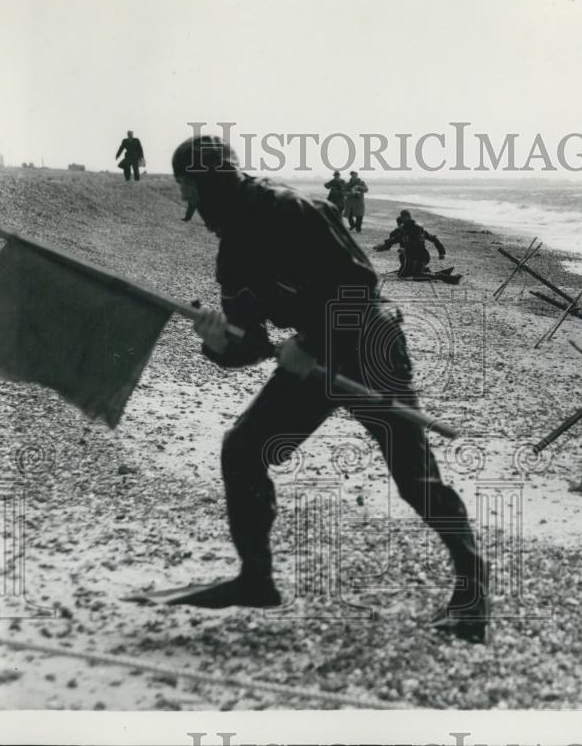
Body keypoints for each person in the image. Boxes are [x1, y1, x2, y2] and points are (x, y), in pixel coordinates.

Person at [172, 135, 488, 642]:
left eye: (186, 186)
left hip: (369, 344)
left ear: (205, 182)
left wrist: (312, 342)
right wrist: (216, 341)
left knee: (415, 479)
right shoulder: (231, 251)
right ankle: (256, 579)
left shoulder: (292, 209)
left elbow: (360, 283)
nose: (185, 198)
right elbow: (251, 344)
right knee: (244, 448)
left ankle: (473, 594)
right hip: (311, 361)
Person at [375, 211, 460, 284]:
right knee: (405, 274)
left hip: (420, 256)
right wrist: (383, 246)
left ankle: (442, 277)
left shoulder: (417, 229)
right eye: (400, 224)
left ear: (407, 219)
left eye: (402, 223)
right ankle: (428, 272)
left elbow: (426, 240)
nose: (400, 226)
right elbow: (395, 239)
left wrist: (441, 253)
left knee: (412, 275)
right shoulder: (403, 230)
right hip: (411, 256)